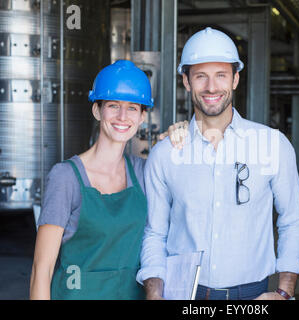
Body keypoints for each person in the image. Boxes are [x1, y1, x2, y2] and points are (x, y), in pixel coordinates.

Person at [138, 27, 299, 300]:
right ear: (186, 80)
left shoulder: (272, 146)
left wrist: (283, 292)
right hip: (182, 293)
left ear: (235, 79)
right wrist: (154, 294)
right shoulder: (165, 154)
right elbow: (154, 233)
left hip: (252, 296)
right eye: (200, 76)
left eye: (221, 75)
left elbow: (293, 221)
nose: (211, 87)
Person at [29, 60, 186, 300]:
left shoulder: (144, 172)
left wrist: (179, 139)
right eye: (113, 106)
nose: (122, 116)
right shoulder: (66, 177)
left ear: (143, 116)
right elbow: (42, 269)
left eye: (133, 108)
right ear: (97, 110)